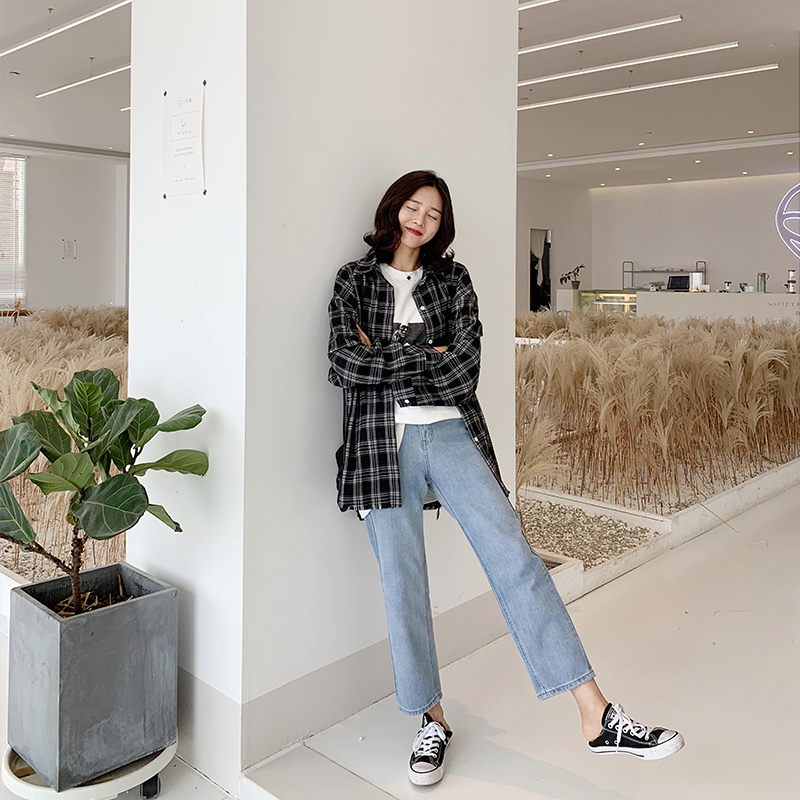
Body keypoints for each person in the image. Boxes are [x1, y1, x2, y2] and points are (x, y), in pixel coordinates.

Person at [327, 170, 684, 787]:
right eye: (413, 207)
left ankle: (596, 714)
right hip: (380, 445)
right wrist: (425, 354)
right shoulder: (353, 281)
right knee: (402, 583)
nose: (420, 220)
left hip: (451, 433)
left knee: (517, 560)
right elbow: (342, 361)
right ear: (393, 209)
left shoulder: (453, 280)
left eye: (433, 214)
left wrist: (386, 353)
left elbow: (462, 372)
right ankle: (431, 721)